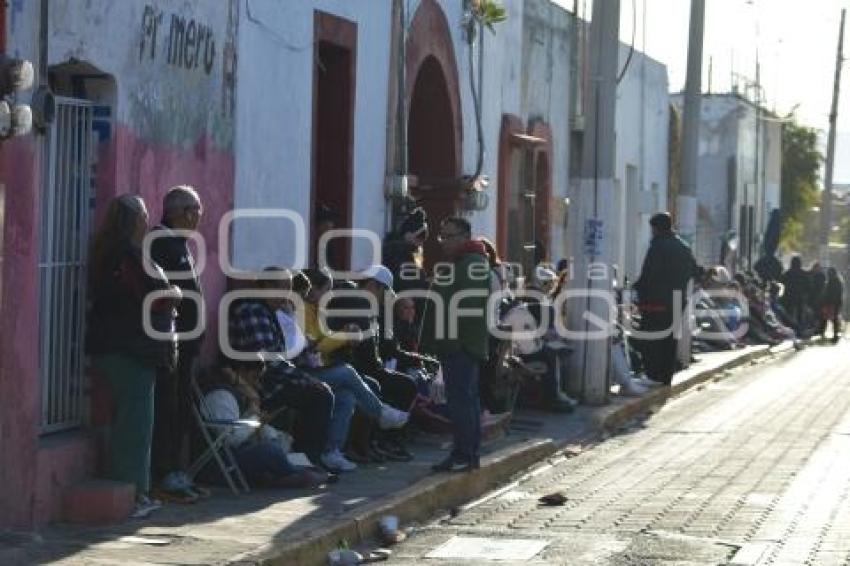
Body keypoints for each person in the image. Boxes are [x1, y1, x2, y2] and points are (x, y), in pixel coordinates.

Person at [87, 194, 180, 518]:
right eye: (143, 214)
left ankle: (131, 489)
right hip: (130, 349)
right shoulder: (127, 254)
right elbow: (152, 296)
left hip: (119, 346)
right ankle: (133, 493)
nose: (147, 219)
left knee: (129, 422)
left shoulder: (112, 251)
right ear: (134, 219)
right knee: (136, 425)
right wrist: (175, 293)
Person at [149, 185, 206, 502]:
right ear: (174, 212)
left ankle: (177, 471)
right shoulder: (161, 244)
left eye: (198, 210)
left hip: (186, 346)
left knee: (181, 409)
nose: (197, 217)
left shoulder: (179, 244)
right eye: (192, 210)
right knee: (167, 409)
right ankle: (163, 475)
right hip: (170, 344)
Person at [422, 217, 492, 472]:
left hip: (461, 345)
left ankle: (465, 454)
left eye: (449, 236)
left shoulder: (472, 265)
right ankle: (465, 453)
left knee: (462, 402)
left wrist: (452, 341)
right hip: (454, 343)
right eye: (442, 236)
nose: (444, 242)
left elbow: (467, 307)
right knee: (463, 401)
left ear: (464, 237)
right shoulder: (460, 264)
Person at [199, 367, 328, 489]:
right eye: (254, 377)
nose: (257, 384)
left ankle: (289, 476)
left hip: (240, 456)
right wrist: (257, 419)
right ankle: (300, 474)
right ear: (242, 373)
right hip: (222, 464)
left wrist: (276, 435)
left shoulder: (241, 397)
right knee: (270, 451)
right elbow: (231, 439)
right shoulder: (221, 396)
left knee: (279, 442)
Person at [633, 212, 698, 386]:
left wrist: (637, 290)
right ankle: (666, 377)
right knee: (670, 340)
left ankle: (653, 375)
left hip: (656, 302)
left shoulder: (657, 247)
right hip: (677, 301)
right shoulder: (684, 247)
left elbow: (649, 275)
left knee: (652, 338)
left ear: (656, 228)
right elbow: (695, 271)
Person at [780, 256, 810, 335]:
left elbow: (781, 281)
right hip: (800, 296)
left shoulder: (788, 273)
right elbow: (809, 285)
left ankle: (789, 329)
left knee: (788, 314)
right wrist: (805, 293)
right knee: (800, 315)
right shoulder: (804, 273)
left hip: (789, 296)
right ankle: (800, 330)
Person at [820, 267, 844, 343]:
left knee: (829, 319)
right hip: (834, 303)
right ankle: (833, 334)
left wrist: (825, 301)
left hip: (832, 303)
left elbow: (828, 293)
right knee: (832, 319)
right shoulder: (837, 281)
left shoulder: (833, 281)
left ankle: (828, 334)